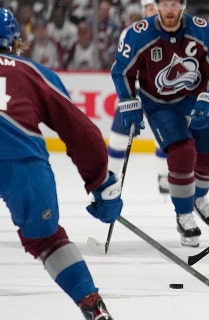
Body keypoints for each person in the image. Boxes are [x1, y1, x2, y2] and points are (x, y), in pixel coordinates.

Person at [0, 7, 122, 319]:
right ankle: (92, 305)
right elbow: (80, 131)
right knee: (47, 239)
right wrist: (101, 181)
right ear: (15, 42)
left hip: (21, 160)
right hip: (22, 163)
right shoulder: (31, 72)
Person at [111, 0, 209, 247]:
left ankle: (199, 198)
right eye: (164, 4)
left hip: (194, 101)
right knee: (183, 152)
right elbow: (122, 72)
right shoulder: (138, 34)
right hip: (159, 104)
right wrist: (129, 102)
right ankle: (184, 214)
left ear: (183, 6)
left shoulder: (201, 29)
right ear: (157, 5)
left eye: (174, 4)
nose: (169, 10)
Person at [107, 0, 170, 195]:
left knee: (165, 136)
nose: (152, 11)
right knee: (118, 135)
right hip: (134, 92)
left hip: (161, 94)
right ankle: (110, 177)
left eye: (154, 7)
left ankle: (164, 176)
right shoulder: (131, 33)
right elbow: (122, 66)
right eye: (148, 8)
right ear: (144, 11)